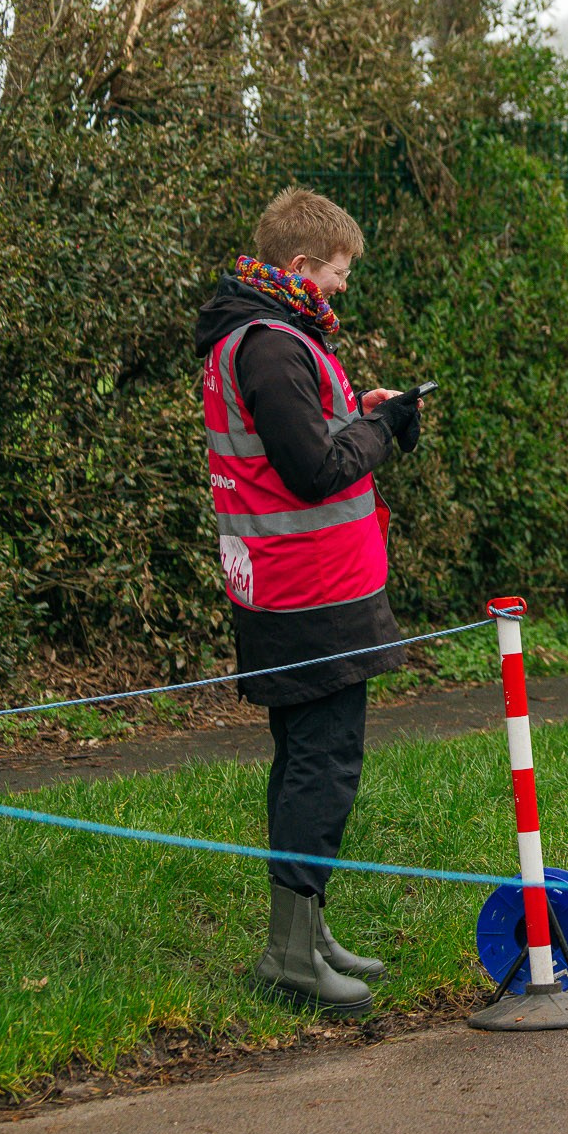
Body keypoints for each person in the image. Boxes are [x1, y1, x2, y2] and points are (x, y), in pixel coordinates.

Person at [194, 187, 425, 1015]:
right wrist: (388, 429)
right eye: (337, 272)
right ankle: (291, 954)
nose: (343, 287)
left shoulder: (265, 337)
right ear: (298, 267)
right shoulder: (273, 346)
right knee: (323, 765)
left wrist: (358, 415)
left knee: (306, 761)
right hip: (310, 594)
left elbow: (302, 440)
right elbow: (313, 470)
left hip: (293, 586)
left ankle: (305, 932)